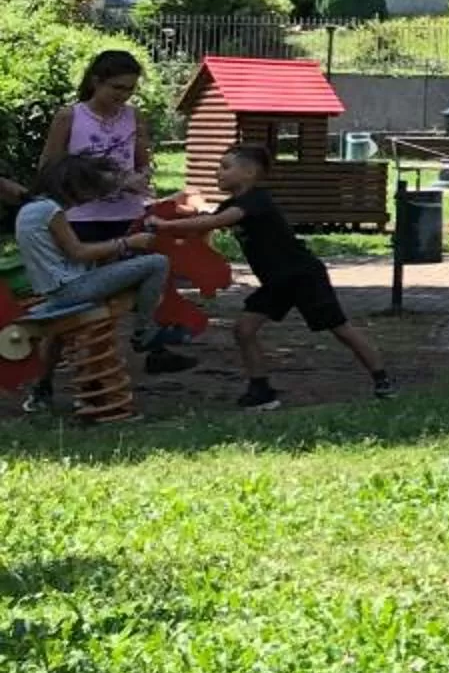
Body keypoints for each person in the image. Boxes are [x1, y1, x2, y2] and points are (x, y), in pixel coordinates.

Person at [148, 146, 391, 410]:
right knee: (244, 330)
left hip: (303, 276)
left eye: (226, 167)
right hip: (277, 283)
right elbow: (206, 215)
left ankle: (382, 380)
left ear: (249, 172)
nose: (218, 172)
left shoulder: (256, 200)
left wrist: (167, 226)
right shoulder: (233, 204)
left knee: (339, 329)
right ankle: (261, 390)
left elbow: (212, 222)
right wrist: (179, 204)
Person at [14, 156, 198, 413]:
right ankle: (144, 332)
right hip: (72, 289)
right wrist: (127, 243)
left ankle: (42, 389)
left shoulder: (30, 210)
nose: (89, 199)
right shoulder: (50, 211)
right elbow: (77, 252)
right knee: (157, 263)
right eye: (88, 191)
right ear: (71, 185)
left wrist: (111, 253)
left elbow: (62, 257)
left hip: (56, 290)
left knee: (60, 332)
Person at [41, 51, 154, 247]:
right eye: (117, 87)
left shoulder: (134, 116)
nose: (124, 95)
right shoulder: (69, 116)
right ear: (96, 82)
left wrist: (142, 178)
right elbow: (49, 168)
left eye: (131, 89)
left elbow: (143, 163)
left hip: (128, 213)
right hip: (81, 215)